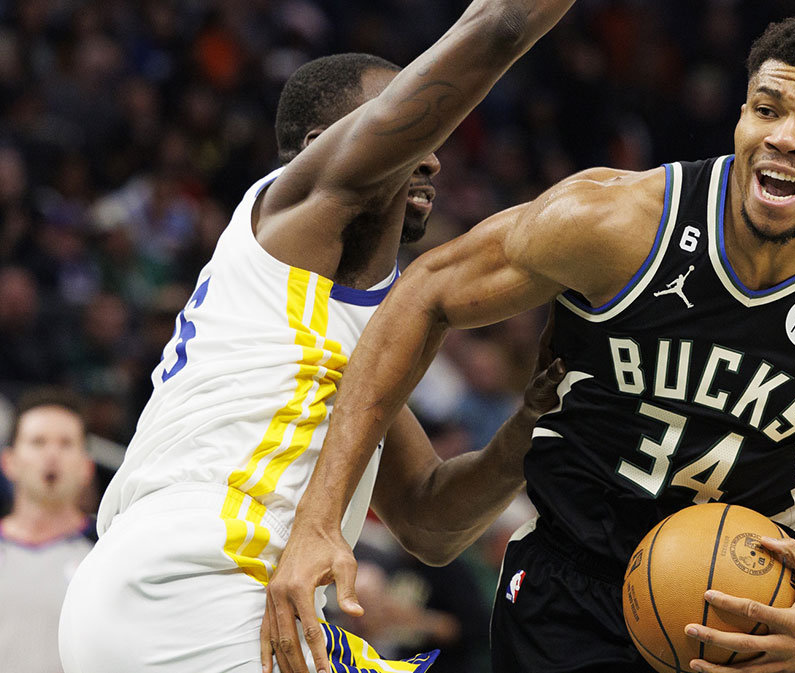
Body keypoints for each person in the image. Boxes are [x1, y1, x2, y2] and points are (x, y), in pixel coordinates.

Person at [271, 14, 795, 673]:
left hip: (762, 594)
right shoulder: (620, 224)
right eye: (767, 109)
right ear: (740, 117)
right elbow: (426, 294)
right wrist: (320, 520)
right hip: (575, 586)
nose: (784, 137)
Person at [57, 1, 575, 672]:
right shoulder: (287, 216)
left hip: (150, 595)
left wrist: (531, 420)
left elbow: (428, 519)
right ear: (319, 147)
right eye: (405, 123)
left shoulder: (347, 326)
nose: (434, 156)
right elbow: (499, 27)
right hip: (205, 576)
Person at [0, 388, 95, 673]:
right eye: (38, 442)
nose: (52, 454)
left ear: (86, 467)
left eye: (66, 443)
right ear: (9, 462)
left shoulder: (107, 553)